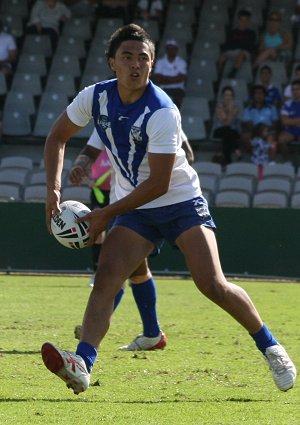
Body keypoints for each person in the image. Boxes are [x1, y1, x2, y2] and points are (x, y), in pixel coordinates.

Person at [41, 23, 296, 395]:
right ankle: (82, 364)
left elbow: (159, 183)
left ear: (152, 64)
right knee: (108, 275)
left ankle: (271, 346)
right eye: (127, 57)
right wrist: (53, 189)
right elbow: (57, 136)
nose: (135, 64)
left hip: (179, 201)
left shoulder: (161, 110)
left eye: (143, 58)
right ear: (112, 62)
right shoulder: (94, 97)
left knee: (212, 284)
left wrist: (106, 214)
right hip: (136, 207)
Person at [70, 128, 167, 351]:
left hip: (146, 204)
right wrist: (80, 166)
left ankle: (92, 329)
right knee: (136, 270)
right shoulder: (108, 117)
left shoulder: (158, 116)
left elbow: (186, 154)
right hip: (122, 201)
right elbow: (91, 150)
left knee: (118, 268)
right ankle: (152, 334)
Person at [218, 9, 256, 78]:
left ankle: (232, 73)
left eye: (245, 20)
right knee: (222, 56)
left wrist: (239, 46)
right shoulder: (231, 32)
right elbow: (228, 45)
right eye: (241, 20)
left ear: (248, 21)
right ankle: (220, 74)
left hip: (245, 53)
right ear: (238, 20)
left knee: (241, 54)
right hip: (233, 51)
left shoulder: (251, 33)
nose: (243, 22)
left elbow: (250, 46)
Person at [241, 84, 280, 152]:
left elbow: (275, 123)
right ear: (253, 96)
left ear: (265, 95)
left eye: (261, 93)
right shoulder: (248, 109)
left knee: (271, 137)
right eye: (256, 93)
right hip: (253, 131)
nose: (258, 95)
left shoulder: (271, 108)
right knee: (245, 137)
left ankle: (268, 159)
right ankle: (253, 156)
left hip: (268, 131)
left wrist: (265, 130)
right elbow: (248, 124)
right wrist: (259, 131)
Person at [153, 39, 187, 108]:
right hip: (163, 88)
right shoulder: (160, 62)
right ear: (166, 49)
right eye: (169, 48)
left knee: (178, 102)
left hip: (177, 89)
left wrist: (165, 78)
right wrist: (175, 79)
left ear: (176, 50)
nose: (171, 50)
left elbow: (182, 78)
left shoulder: (181, 62)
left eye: (173, 48)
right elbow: (158, 79)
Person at [213, 86, 241, 165]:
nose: (228, 97)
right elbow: (225, 122)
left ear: (233, 97)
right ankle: (236, 149)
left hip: (233, 131)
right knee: (226, 130)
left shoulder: (236, 107)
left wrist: (230, 108)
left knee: (228, 132)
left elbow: (228, 122)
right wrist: (229, 110)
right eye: (226, 95)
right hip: (219, 130)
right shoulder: (219, 107)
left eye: (230, 95)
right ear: (223, 96)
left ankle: (227, 160)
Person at [278, 79, 300, 162]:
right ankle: (288, 162)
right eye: (293, 89)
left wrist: (291, 121)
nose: (295, 91)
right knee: (281, 139)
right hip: (290, 131)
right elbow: (284, 121)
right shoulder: (287, 104)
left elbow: (288, 121)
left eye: (297, 89)